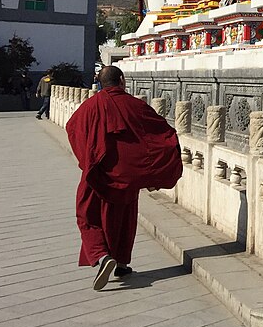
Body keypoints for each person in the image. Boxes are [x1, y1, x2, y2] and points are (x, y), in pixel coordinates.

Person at [65, 65, 183, 290]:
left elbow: (73, 130)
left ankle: (102, 256)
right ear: (121, 80)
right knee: (123, 221)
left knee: (87, 216)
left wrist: (88, 161)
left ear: (100, 83)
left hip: (96, 175)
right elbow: (162, 134)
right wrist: (153, 174)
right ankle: (119, 263)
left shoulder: (89, 107)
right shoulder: (135, 105)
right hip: (126, 177)